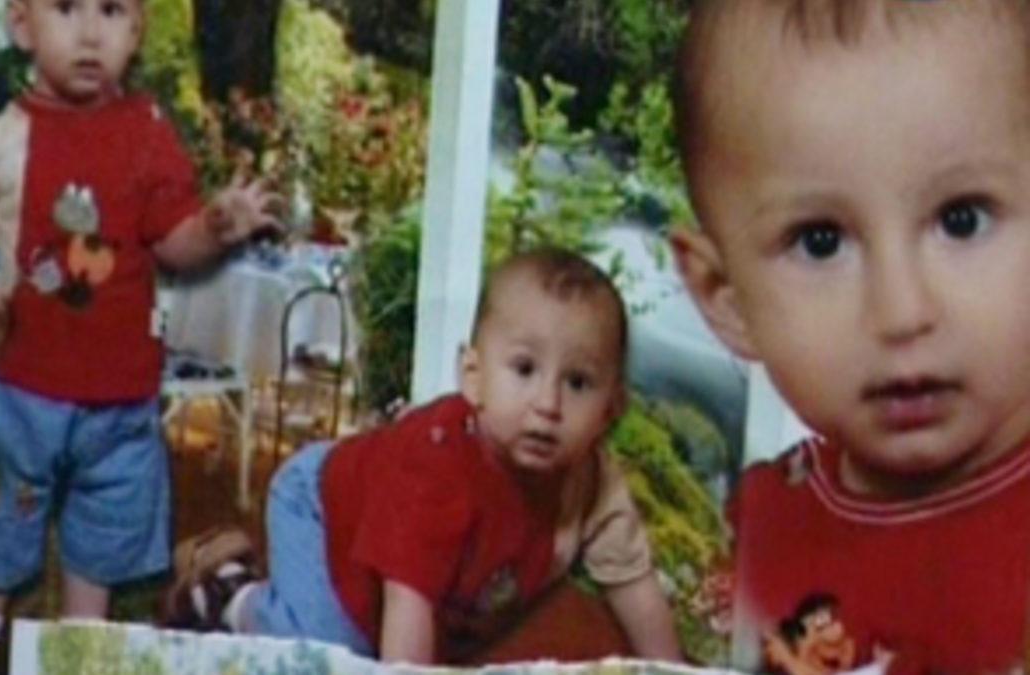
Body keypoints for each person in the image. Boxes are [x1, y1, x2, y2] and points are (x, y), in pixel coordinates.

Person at [670, 0, 1030, 672]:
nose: (901, 311)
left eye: (962, 219)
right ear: (727, 297)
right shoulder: (763, 528)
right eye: (821, 241)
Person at [0, 0, 280, 671]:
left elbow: (173, 241)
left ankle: (79, 650)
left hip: (121, 401)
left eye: (112, 10)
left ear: (137, 29)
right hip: (23, 390)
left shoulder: (147, 131)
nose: (91, 33)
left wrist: (215, 228)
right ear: (23, 24)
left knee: (100, 540)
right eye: (67, 9)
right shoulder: (1, 140)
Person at [163, 248, 682, 664]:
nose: (547, 404)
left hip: (407, 562)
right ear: (473, 377)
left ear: (612, 408)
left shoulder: (592, 483)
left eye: (578, 382)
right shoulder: (437, 468)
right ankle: (230, 593)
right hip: (322, 508)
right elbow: (408, 605)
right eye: (524, 369)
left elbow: (634, 586)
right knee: (333, 652)